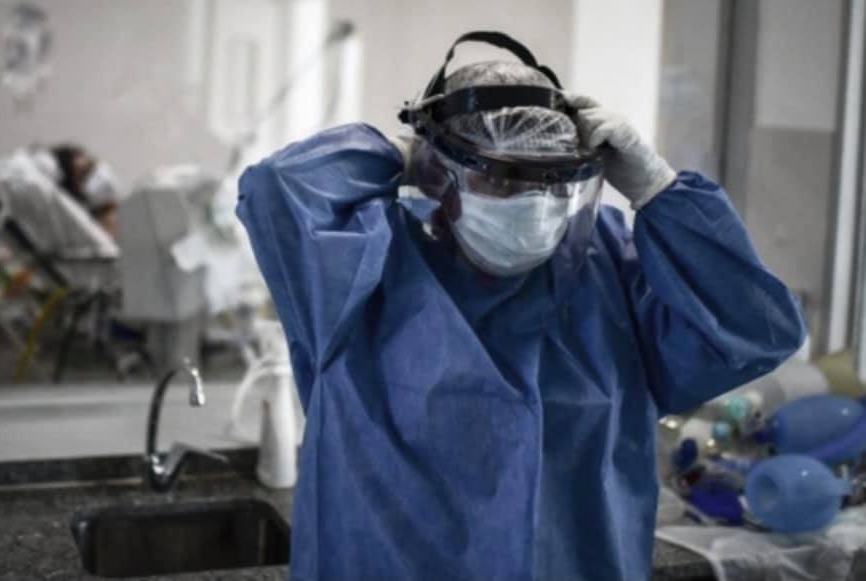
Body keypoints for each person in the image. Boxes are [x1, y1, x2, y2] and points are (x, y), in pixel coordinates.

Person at [236, 31, 806, 581]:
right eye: (503, 181)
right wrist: (407, 151)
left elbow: (753, 330)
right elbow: (276, 190)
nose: (534, 205)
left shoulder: (607, 261)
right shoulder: (364, 268)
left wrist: (658, 189)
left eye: (551, 182)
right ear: (443, 179)